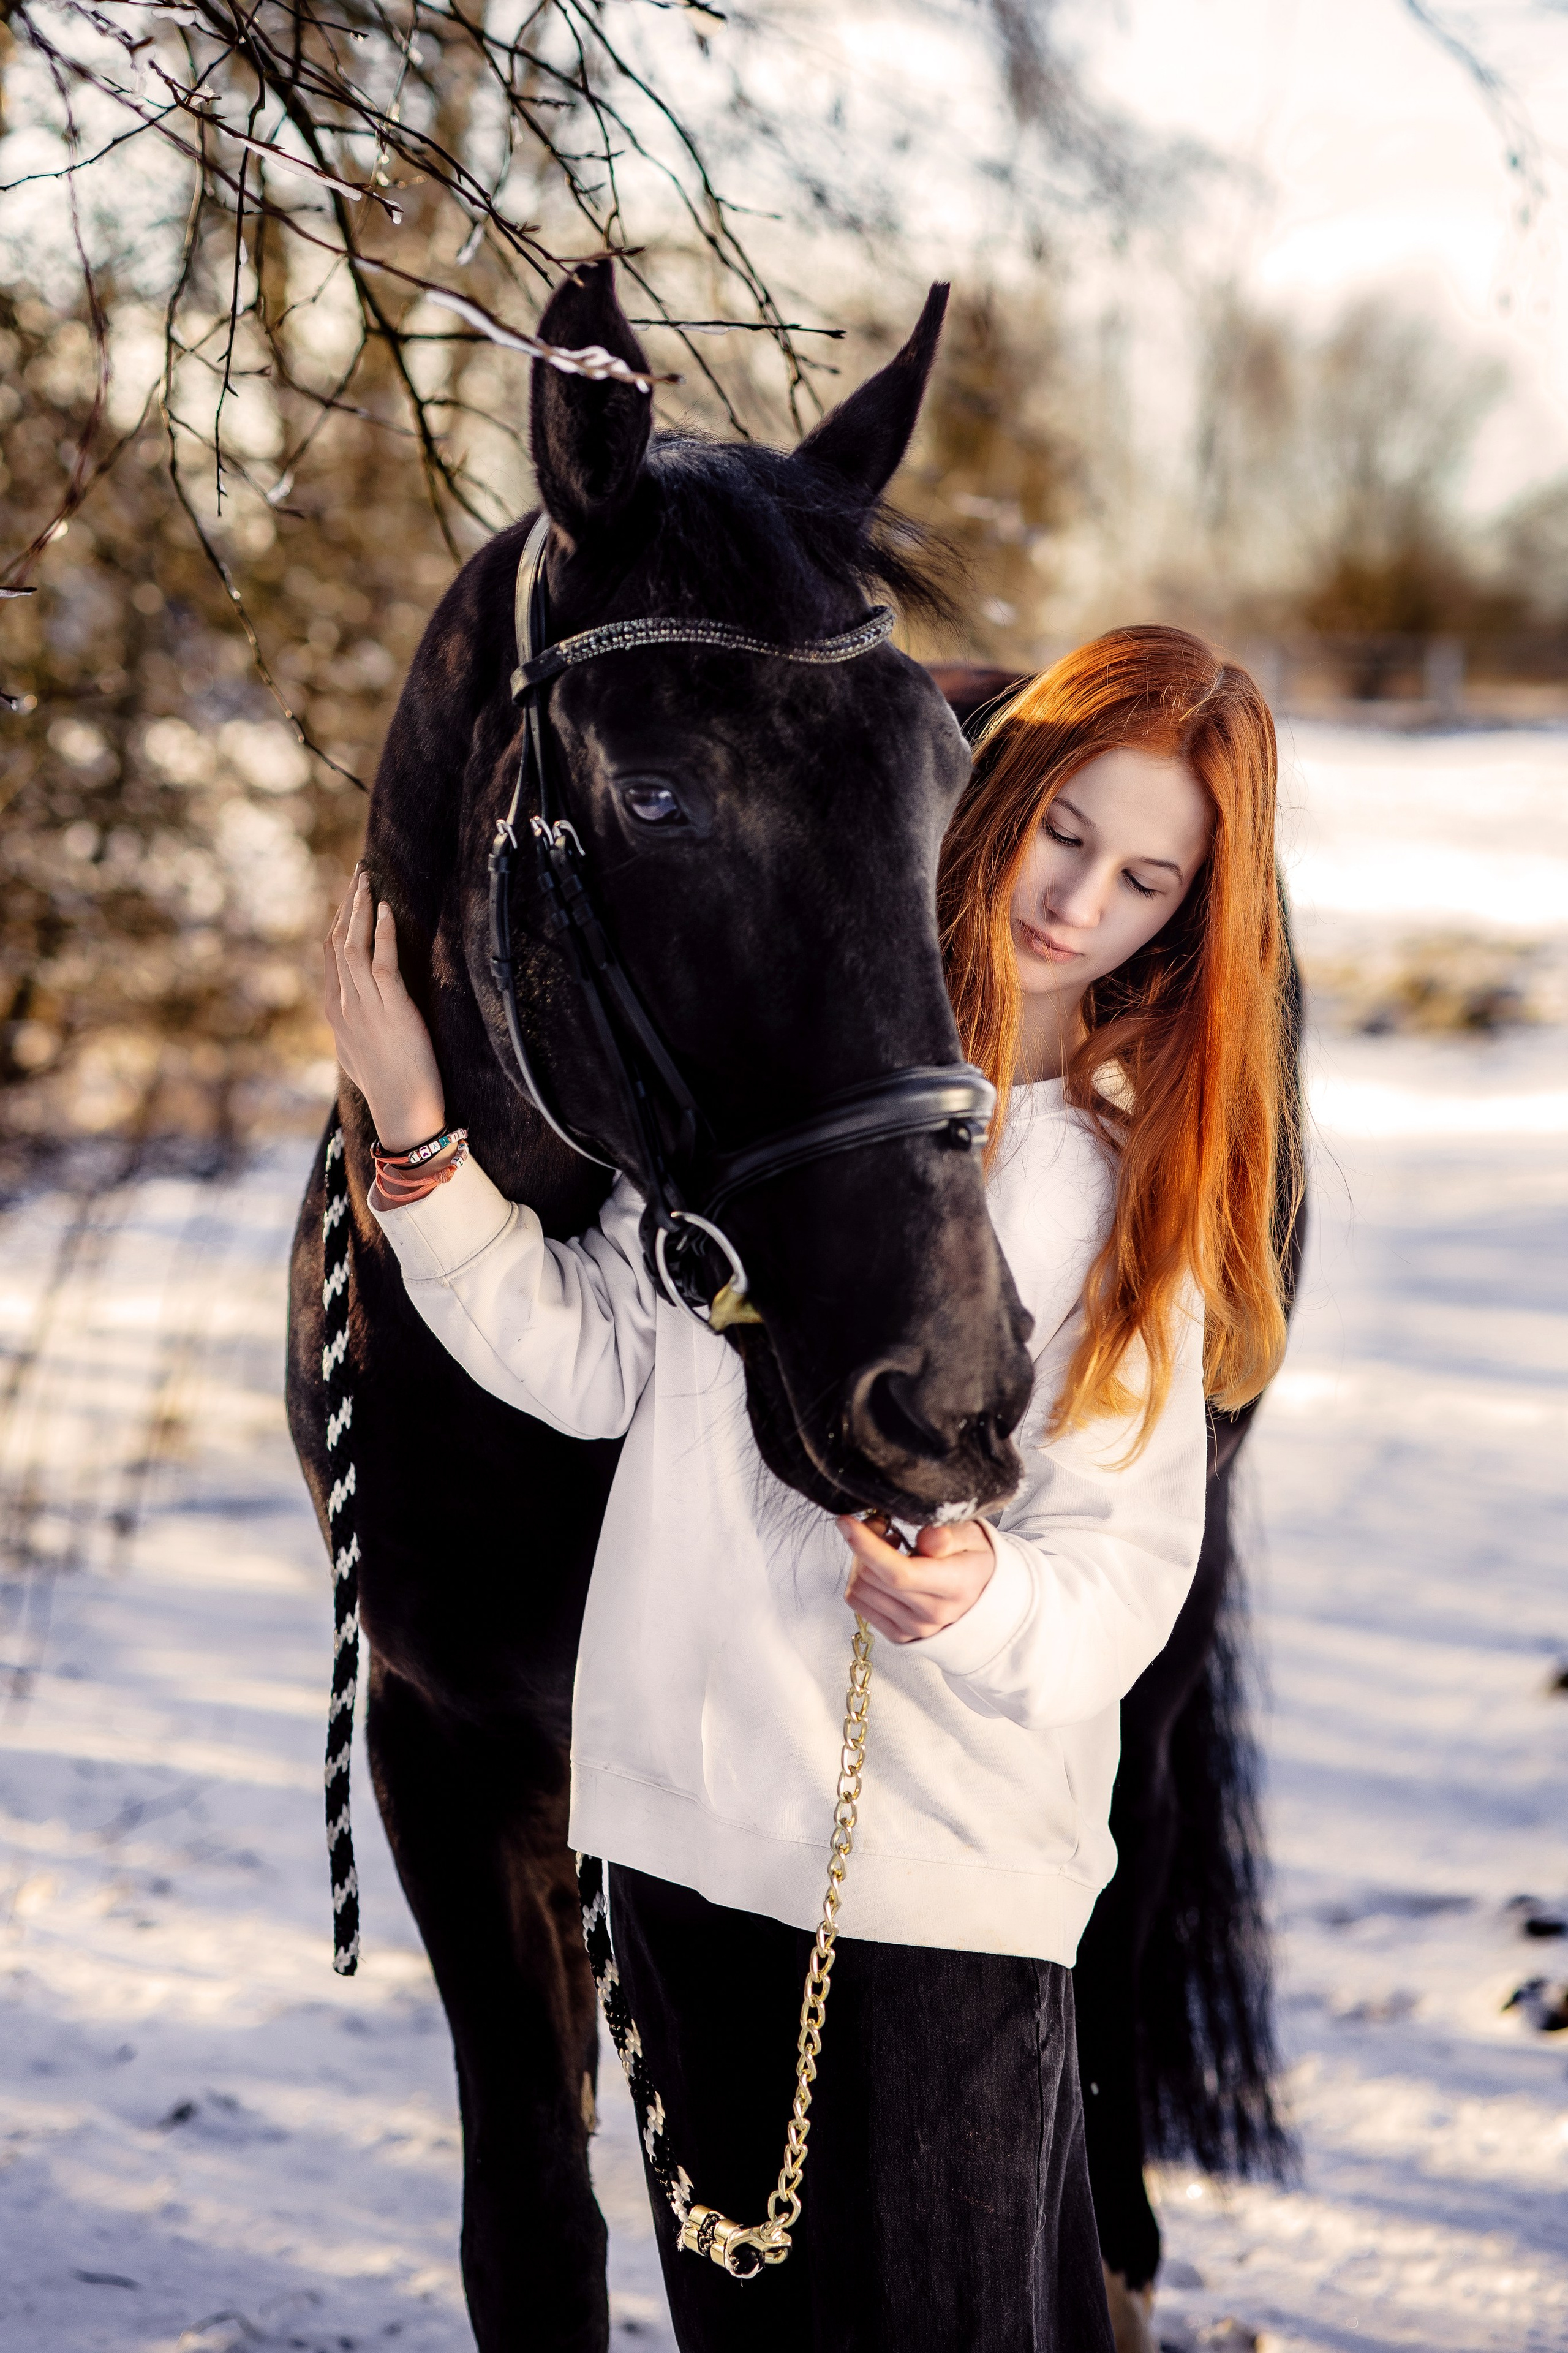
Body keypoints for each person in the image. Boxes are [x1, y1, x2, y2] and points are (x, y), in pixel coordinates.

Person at [322, 624, 1297, 2353]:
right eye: (1068, 830)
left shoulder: (1135, 1184)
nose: (1080, 902)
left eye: (1148, 878)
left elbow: (1124, 1585)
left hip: (935, 1903)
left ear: (1190, 915)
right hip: (690, 1869)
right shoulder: (779, 1085)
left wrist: (985, 1594)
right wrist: (416, 1138)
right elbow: (601, 1358)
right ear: (996, 794)